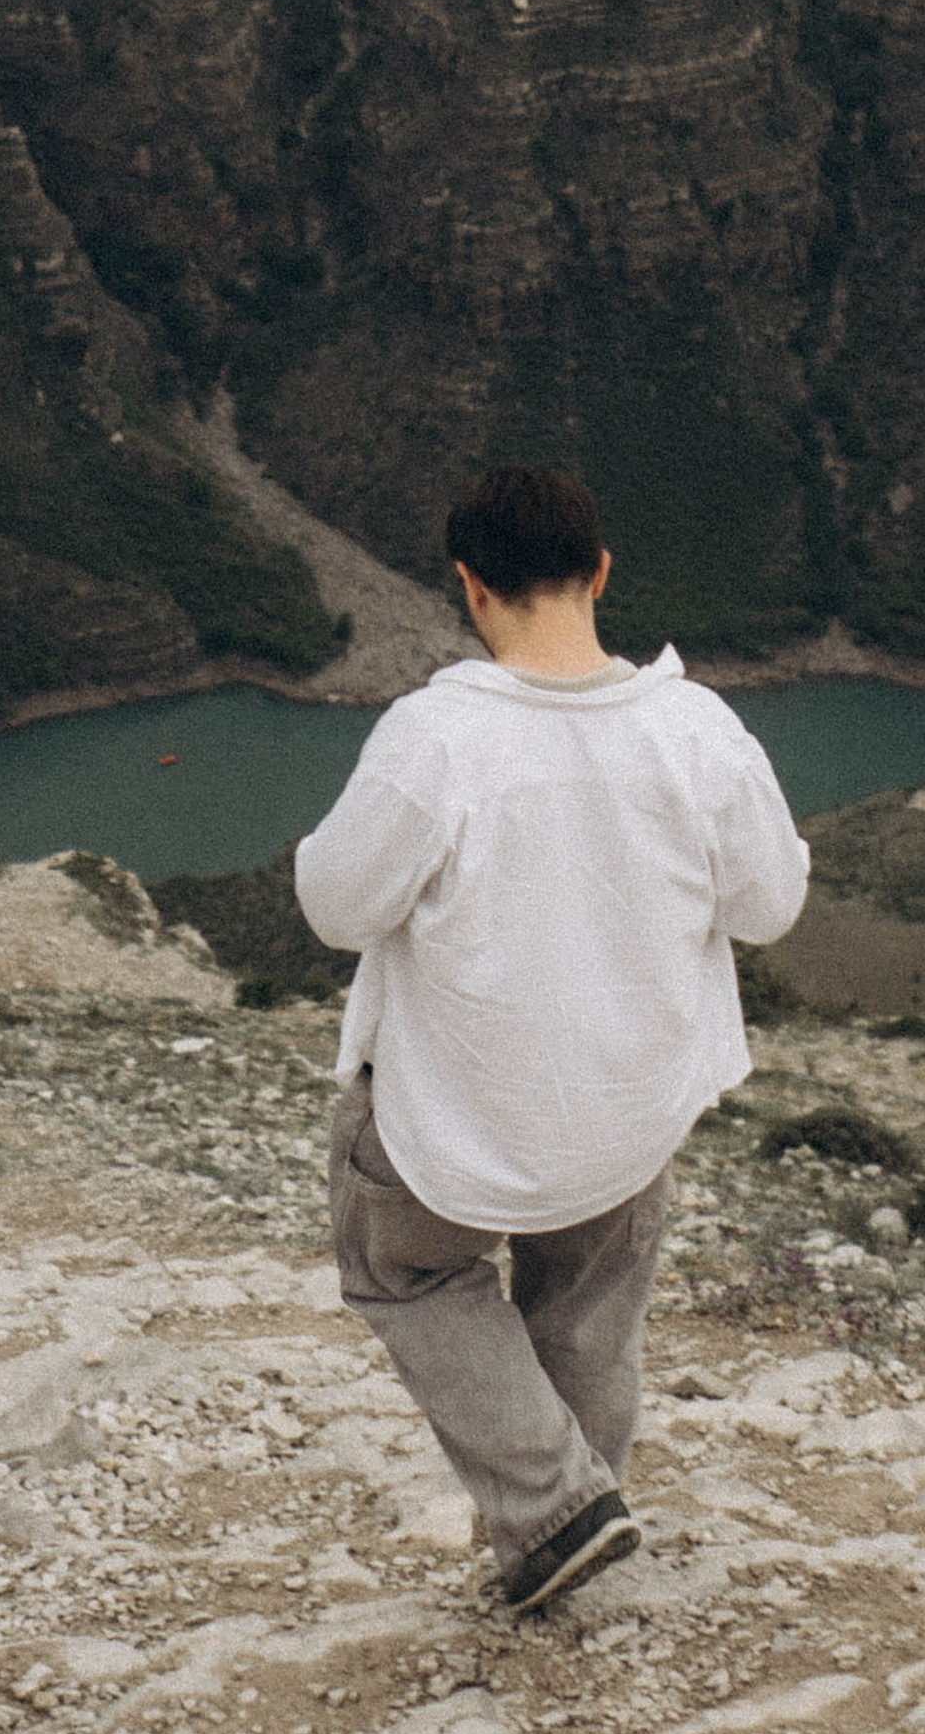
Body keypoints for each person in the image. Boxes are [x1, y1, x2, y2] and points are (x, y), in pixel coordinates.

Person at [293, 464, 810, 1613]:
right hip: (625, 1115)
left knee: (401, 1269)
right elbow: (771, 907)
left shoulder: (436, 739)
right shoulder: (697, 730)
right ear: (602, 573)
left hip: (459, 1122)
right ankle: (579, 1533)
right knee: (585, 1304)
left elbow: (337, 908)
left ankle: (554, 1515)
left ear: (470, 590)